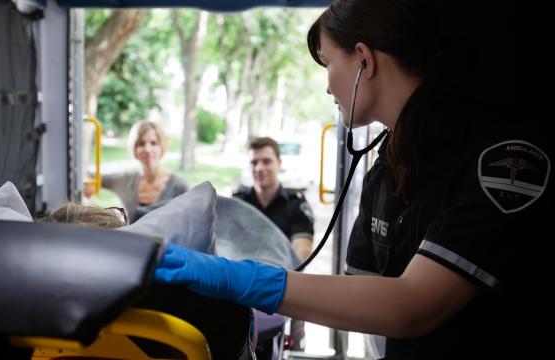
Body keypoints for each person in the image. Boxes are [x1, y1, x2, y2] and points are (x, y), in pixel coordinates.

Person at [153, 0, 547, 358]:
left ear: (363, 60)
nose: (327, 85)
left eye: (327, 63)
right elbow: (362, 292)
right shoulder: (389, 165)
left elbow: (412, 305)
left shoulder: (507, 162)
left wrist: (242, 279)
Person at [233, 136, 314, 352]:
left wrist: (279, 277)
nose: (260, 168)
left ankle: (297, 348)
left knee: (295, 343)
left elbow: (302, 251)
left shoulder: (296, 204)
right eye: (254, 162)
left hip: (285, 283)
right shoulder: (238, 202)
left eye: (266, 161)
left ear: (279, 163)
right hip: (244, 284)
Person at [84, 120, 188, 223]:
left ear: (162, 147)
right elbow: (87, 175)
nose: (147, 149)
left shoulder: (178, 186)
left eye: (153, 143)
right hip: (129, 239)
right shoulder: (124, 180)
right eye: (141, 144)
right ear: (134, 148)